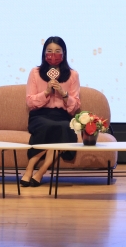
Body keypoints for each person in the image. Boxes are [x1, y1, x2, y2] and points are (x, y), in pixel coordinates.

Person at [22, 36, 81, 187]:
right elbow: (30, 101)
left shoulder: (73, 75)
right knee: (49, 126)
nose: (53, 55)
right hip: (40, 115)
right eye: (49, 51)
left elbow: (75, 107)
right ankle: (29, 170)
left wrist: (64, 93)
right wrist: (46, 92)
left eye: (57, 51)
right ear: (44, 53)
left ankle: (40, 172)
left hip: (62, 116)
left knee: (63, 127)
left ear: (64, 53)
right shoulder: (35, 72)